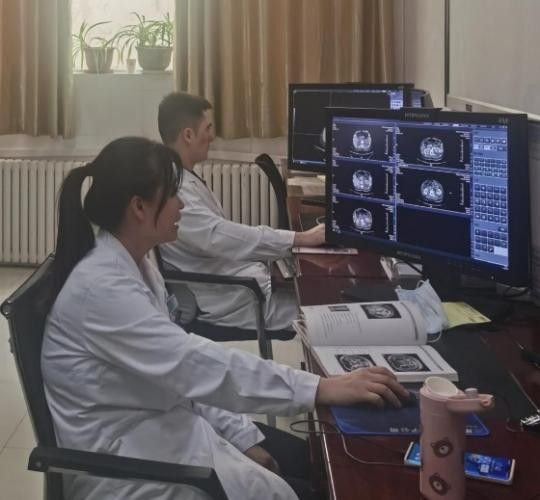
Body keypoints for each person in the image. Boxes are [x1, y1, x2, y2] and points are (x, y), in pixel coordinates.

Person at [41, 137, 410, 500]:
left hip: (166, 427)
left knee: (311, 465)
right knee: (322, 483)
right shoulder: (101, 290)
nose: (181, 204)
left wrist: (241, 436)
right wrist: (319, 388)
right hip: (131, 466)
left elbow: (182, 372)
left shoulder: (136, 264)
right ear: (139, 207)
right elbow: (191, 365)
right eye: (172, 194)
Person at [157, 92, 325, 331]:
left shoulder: (183, 177)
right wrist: (301, 238)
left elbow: (226, 236)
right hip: (232, 298)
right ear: (188, 135)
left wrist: (289, 244)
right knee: (323, 315)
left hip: (240, 283)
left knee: (317, 300)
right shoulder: (177, 191)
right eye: (208, 128)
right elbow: (221, 236)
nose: (211, 136)